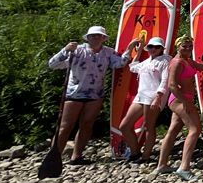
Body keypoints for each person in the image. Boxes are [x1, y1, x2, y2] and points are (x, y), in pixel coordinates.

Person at [47, 26, 138, 165]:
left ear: (103, 38)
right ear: (87, 37)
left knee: (87, 125)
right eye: (93, 36)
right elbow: (53, 64)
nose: (96, 38)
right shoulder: (76, 50)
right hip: (74, 94)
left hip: (95, 94)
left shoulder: (107, 52)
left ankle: (76, 156)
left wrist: (130, 48)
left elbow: (120, 63)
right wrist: (65, 50)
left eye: (99, 36)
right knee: (65, 126)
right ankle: (54, 156)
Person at [155, 35, 203, 180]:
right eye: (184, 46)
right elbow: (172, 85)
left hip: (182, 100)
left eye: (189, 46)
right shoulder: (176, 62)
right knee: (195, 130)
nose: (188, 48)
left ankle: (162, 165)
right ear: (178, 47)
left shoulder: (187, 60)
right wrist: (186, 103)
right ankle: (184, 167)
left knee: (174, 129)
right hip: (179, 100)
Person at [119, 35, 171, 163]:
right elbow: (133, 67)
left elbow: (165, 80)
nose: (153, 49)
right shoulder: (146, 62)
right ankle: (135, 152)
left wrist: (158, 97)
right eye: (151, 47)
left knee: (149, 127)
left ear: (161, 49)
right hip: (141, 97)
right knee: (124, 126)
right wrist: (135, 49)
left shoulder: (165, 61)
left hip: (153, 97)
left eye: (157, 47)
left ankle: (146, 156)